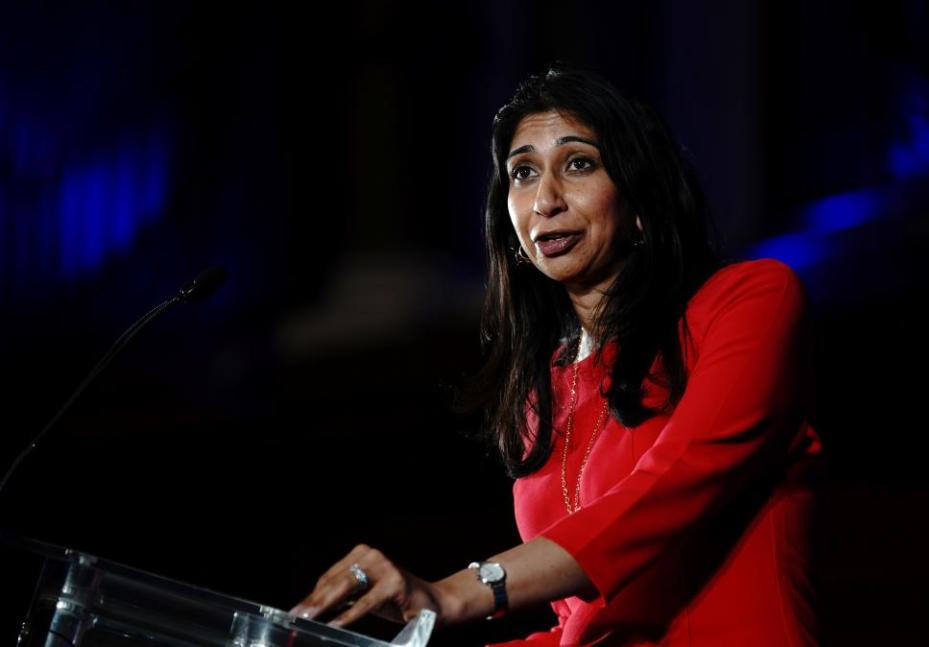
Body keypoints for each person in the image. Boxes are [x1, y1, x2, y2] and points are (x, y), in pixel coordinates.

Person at [291, 66, 822, 646]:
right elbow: (578, 627)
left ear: (640, 197)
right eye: (523, 173)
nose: (545, 200)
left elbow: (672, 483)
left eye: (578, 164)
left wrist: (456, 592)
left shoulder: (749, 301)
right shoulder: (539, 398)